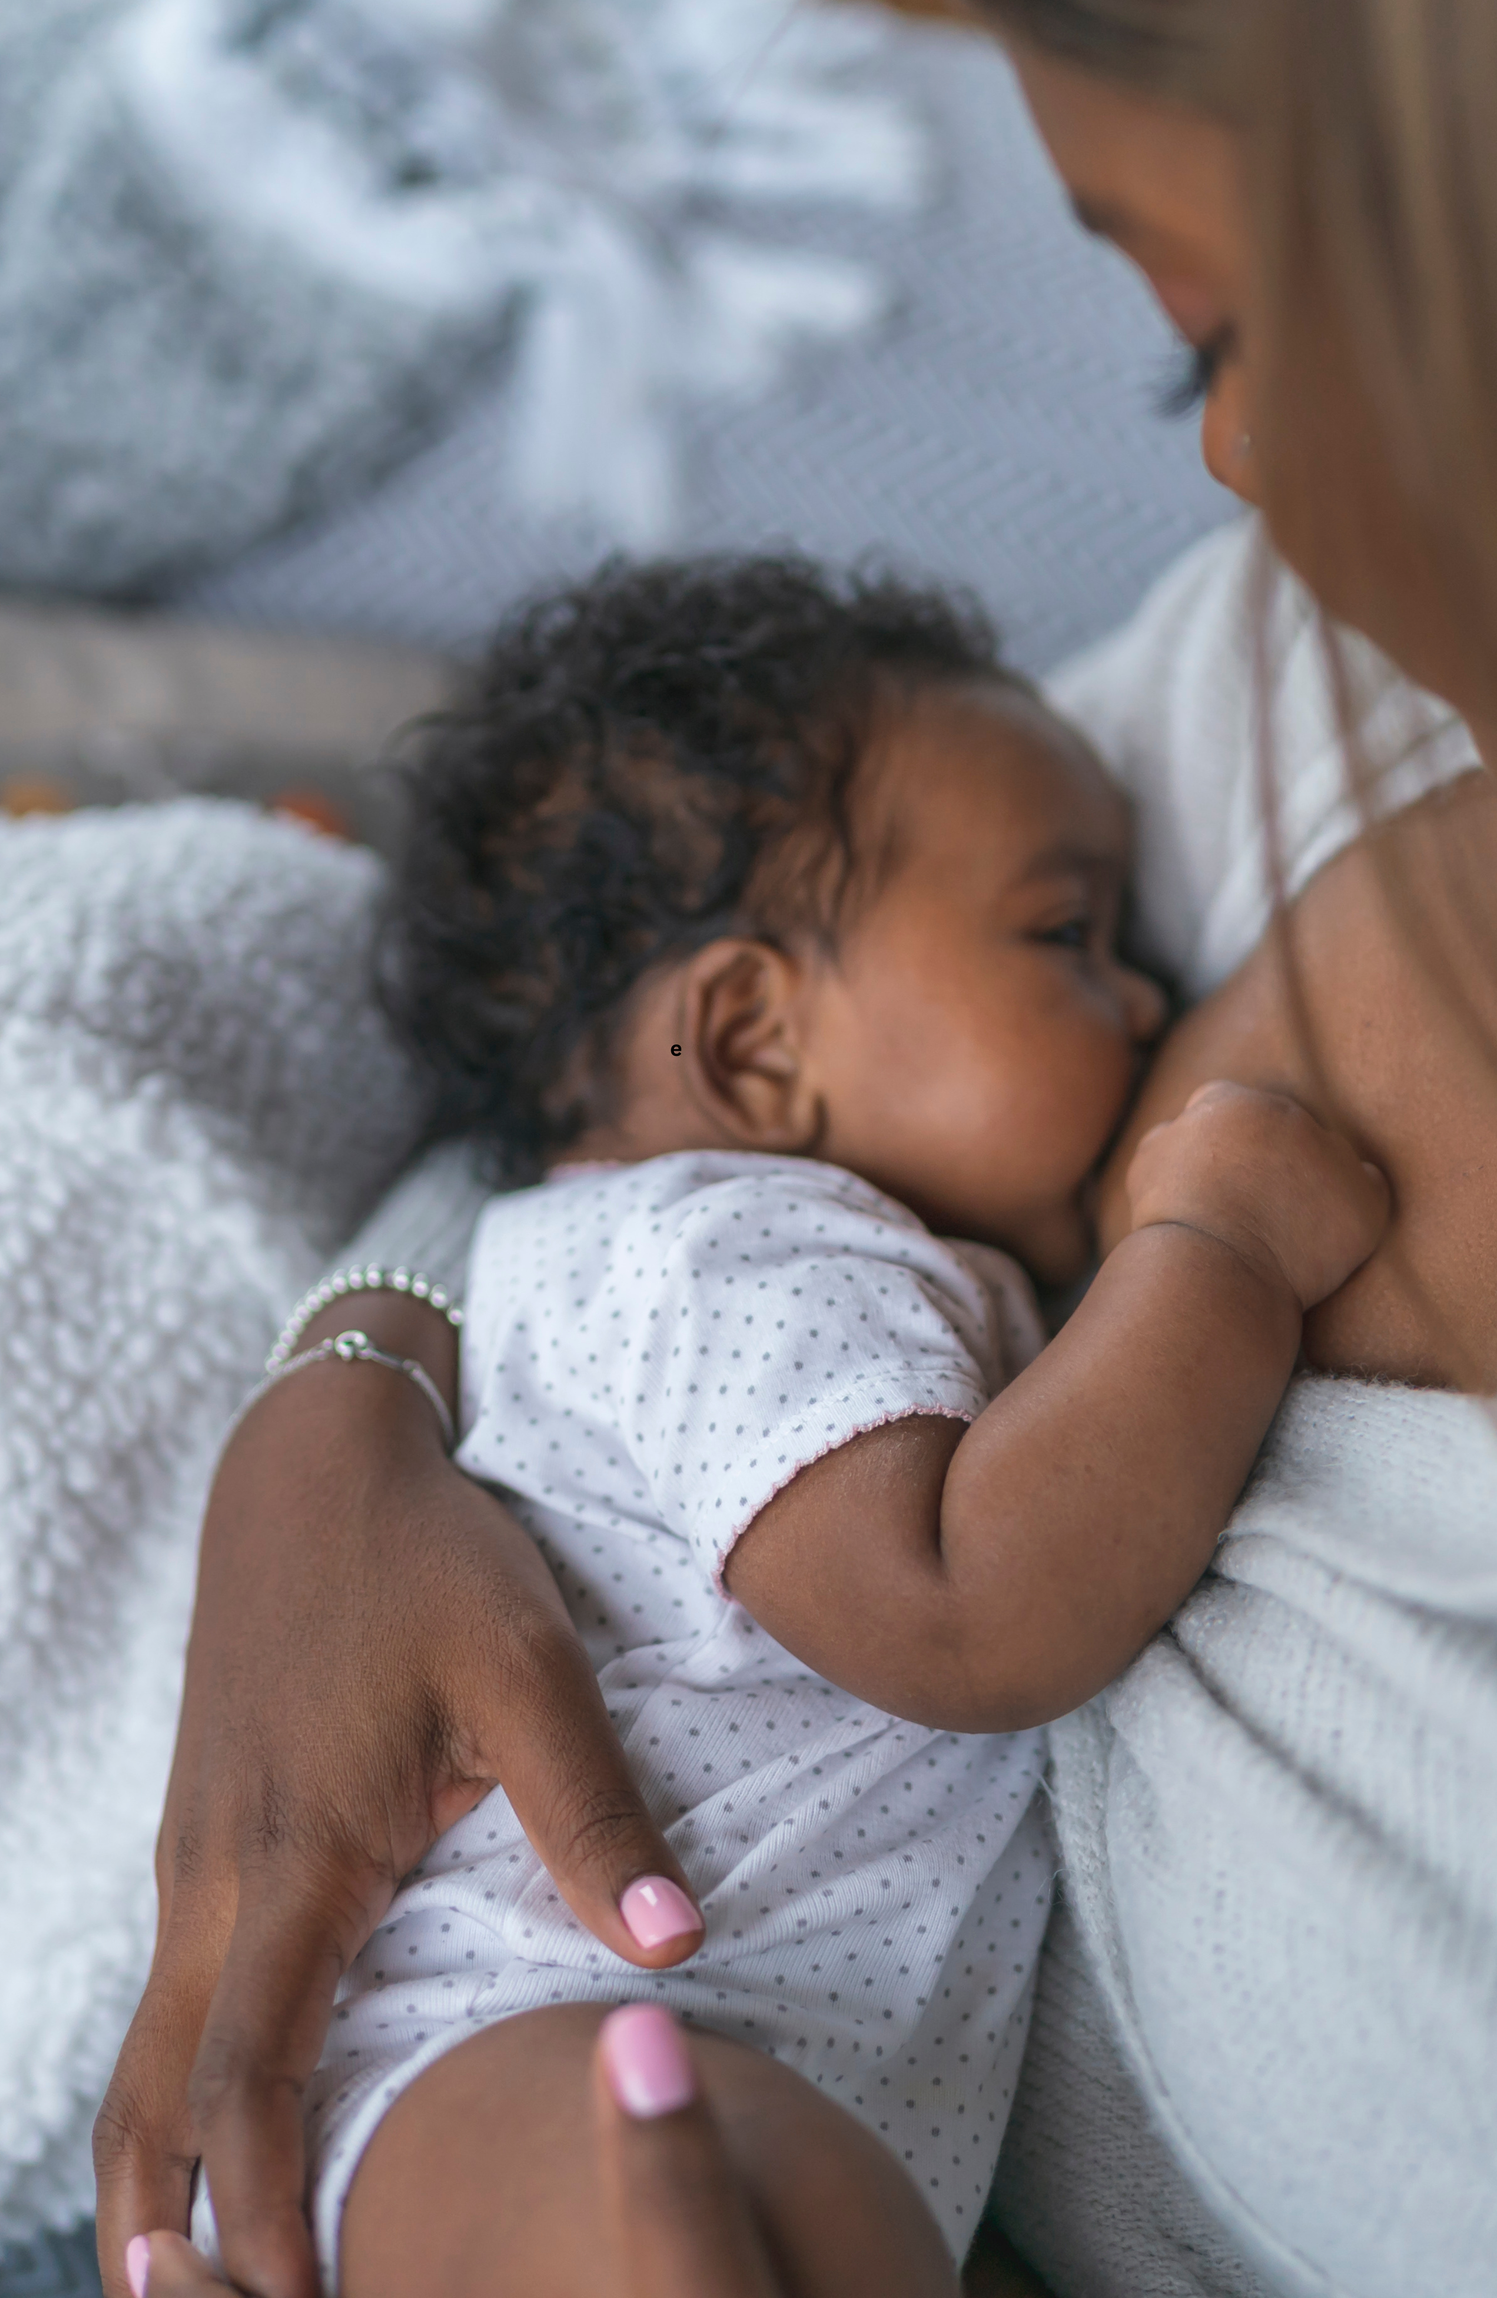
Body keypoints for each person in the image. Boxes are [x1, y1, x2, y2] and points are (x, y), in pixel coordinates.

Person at [99, 0, 1497, 2294]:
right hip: (539, 2041)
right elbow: (610, 1080)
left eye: (1231, 324)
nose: (1232, 470)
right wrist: (340, 1405)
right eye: (1182, 346)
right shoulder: (1306, 686)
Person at [265, 556, 1384, 2294]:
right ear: (753, 1041)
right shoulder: (742, 1248)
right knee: (715, 2216)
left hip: (664, 2059)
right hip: (536, 2030)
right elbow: (960, 1604)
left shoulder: (727, 1260)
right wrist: (1221, 1256)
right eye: (1063, 935)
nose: (1148, 998)